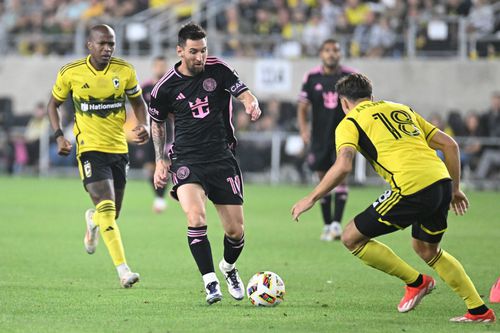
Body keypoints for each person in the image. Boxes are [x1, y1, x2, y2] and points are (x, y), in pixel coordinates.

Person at [291, 73, 496, 323]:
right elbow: (450, 145)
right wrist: (454, 189)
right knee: (427, 248)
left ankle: (416, 282)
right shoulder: (401, 109)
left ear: (344, 103)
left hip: (411, 186)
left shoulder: (350, 121)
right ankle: (478, 310)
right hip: (440, 182)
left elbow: (343, 165)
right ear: (371, 96)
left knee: (351, 237)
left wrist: (311, 197)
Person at [149, 23, 261, 304]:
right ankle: (210, 281)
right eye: (193, 51)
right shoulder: (165, 87)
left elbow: (243, 91)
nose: (200, 57)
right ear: (180, 51)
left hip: (222, 157)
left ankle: (228, 268)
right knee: (196, 218)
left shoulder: (219, 69)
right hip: (186, 158)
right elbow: (157, 124)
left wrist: (251, 102)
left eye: (203, 50)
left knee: (236, 232)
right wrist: (160, 160)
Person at [47, 24, 149, 288]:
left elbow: (138, 102)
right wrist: (59, 135)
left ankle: (92, 221)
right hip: (90, 149)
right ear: (89, 45)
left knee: (112, 214)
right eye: (102, 44)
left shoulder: (124, 70)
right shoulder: (71, 72)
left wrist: (145, 124)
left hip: (118, 148)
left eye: (111, 44)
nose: (107, 49)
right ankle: (123, 270)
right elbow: (53, 105)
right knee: (106, 206)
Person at [297, 38, 355, 241]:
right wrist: (304, 130)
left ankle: (337, 225)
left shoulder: (350, 77)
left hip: (344, 135)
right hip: (319, 137)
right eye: (327, 50)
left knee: (341, 176)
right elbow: (303, 107)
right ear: (321, 53)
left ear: (340, 54)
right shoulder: (312, 77)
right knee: (322, 179)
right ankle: (328, 225)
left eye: (335, 50)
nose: (331, 54)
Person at [141, 55, 172, 213]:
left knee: (164, 165)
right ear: (154, 67)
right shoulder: (145, 88)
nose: (160, 68)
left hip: (167, 132)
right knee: (149, 167)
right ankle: (158, 197)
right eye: (158, 66)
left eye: (163, 65)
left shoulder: (171, 86)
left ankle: (160, 200)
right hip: (148, 133)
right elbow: (137, 108)